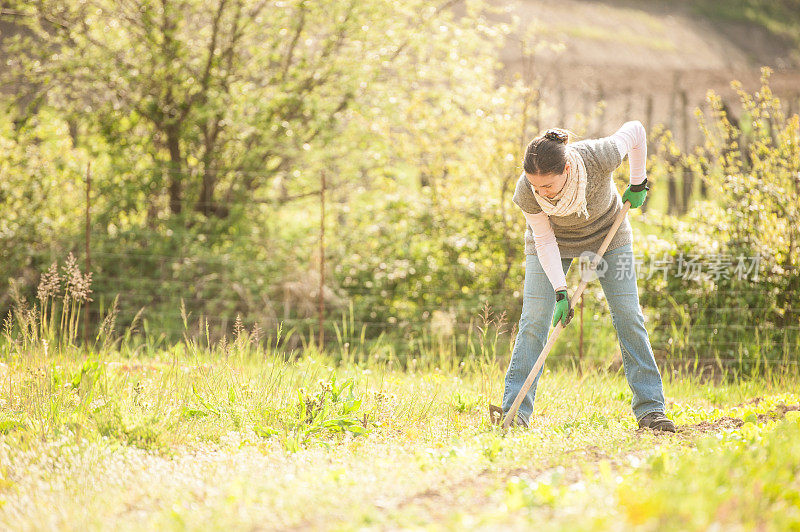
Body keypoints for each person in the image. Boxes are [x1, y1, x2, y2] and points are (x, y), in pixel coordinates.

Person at [501, 121, 675, 432]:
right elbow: (543, 239)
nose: (542, 194)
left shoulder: (598, 156)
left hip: (609, 231)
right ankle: (515, 414)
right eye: (535, 187)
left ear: (566, 168)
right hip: (554, 242)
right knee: (534, 320)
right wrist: (560, 290)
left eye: (549, 187)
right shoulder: (526, 192)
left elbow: (635, 131)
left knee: (628, 316)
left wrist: (638, 182)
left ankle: (651, 410)